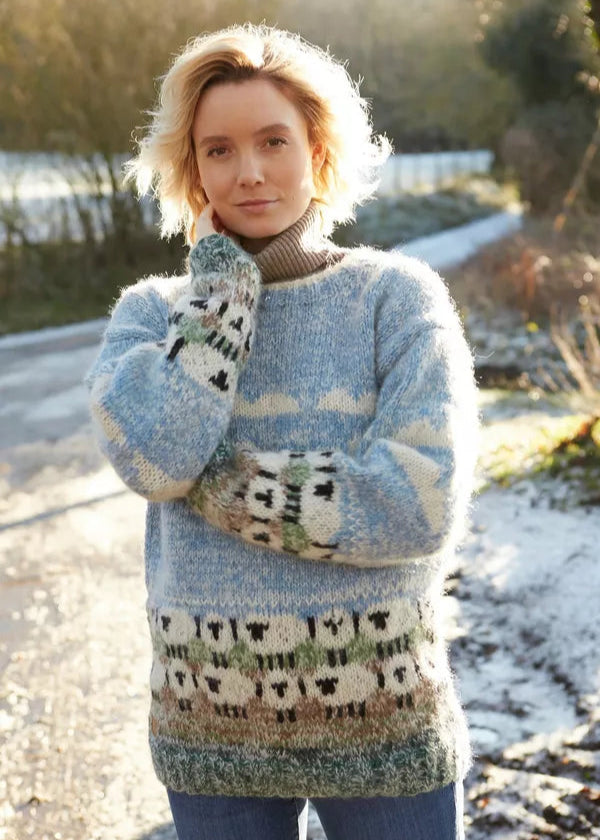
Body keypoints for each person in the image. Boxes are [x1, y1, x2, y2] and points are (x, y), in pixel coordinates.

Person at [84, 22, 480, 840]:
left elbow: (417, 502)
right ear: (191, 168)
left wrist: (216, 481)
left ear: (320, 149)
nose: (251, 171)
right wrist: (224, 298)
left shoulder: (396, 298)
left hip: (385, 721)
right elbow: (157, 460)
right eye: (219, 150)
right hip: (210, 727)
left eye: (274, 140)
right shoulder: (152, 315)